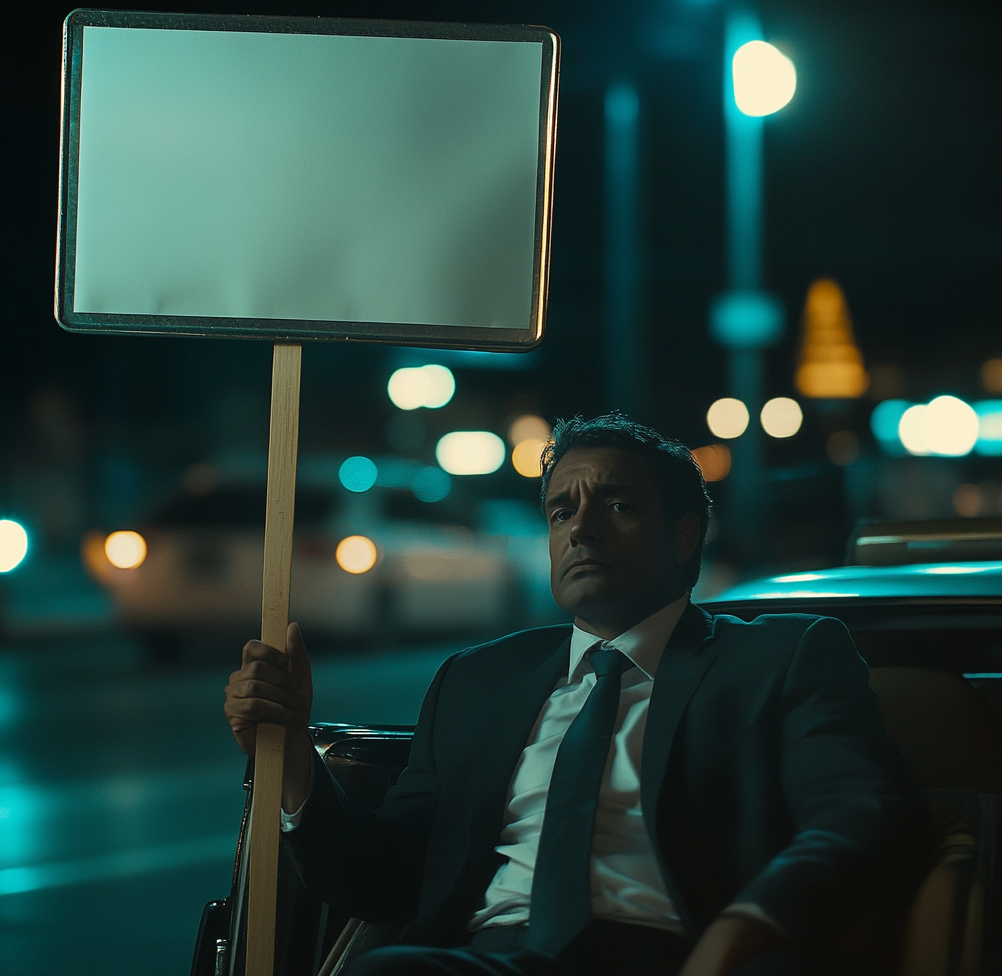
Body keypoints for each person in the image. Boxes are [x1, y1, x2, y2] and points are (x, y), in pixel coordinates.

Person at [224, 414, 928, 976]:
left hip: (679, 951)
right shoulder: (477, 679)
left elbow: (861, 812)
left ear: (686, 533)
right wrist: (291, 758)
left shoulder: (783, 654)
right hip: (489, 955)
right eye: (561, 513)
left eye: (617, 504)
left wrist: (748, 925)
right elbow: (384, 880)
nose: (581, 529)